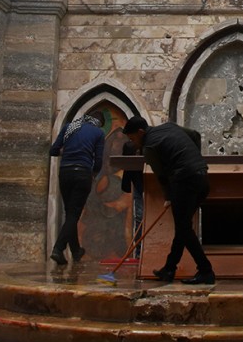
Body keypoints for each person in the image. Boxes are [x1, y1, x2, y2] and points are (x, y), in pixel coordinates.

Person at [122, 117, 215, 285]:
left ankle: (206, 271)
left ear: (141, 132)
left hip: (184, 181)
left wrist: (168, 197)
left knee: (184, 228)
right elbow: (195, 134)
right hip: (202, 178)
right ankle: (169, 269)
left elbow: (161, 176)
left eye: (132, 138)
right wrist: (195, 159)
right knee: (182, 227)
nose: (133, 143)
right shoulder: (169, 126)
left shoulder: (149, 146)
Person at [49, 112, 105, 265]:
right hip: (82, 174)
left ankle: (75, 251)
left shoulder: (69, 127)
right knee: (74, 215)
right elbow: (98, 161)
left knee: (70, 214)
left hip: (65, 173)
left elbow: (53, 150)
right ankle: (58, 249)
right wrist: (93, 175)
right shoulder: (98, 133)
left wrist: (67, 151)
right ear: (99, 123)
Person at [120, 140, 145, 260]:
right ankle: (139, 253)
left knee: (142, 218)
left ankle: (142, 252)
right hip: (140, 189)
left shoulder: (148, 150)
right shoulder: (129, 150)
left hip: (153, 188)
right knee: (139, 218)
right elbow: (126, 179)